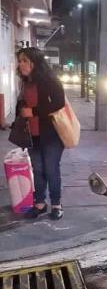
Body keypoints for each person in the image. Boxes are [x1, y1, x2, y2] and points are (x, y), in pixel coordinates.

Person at [16, 47, 67, 220]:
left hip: (51, 134)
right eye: (20, 60)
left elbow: (59, 103)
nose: (20, 64)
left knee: (51, 169)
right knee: (38, 170)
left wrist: (34, 111)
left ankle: (56, 204)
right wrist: (22, 110)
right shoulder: (25, 81)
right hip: (32, 134)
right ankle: (39, 203)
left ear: (34, 62)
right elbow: (23, 102)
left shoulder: (49, 79)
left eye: (24, 60)